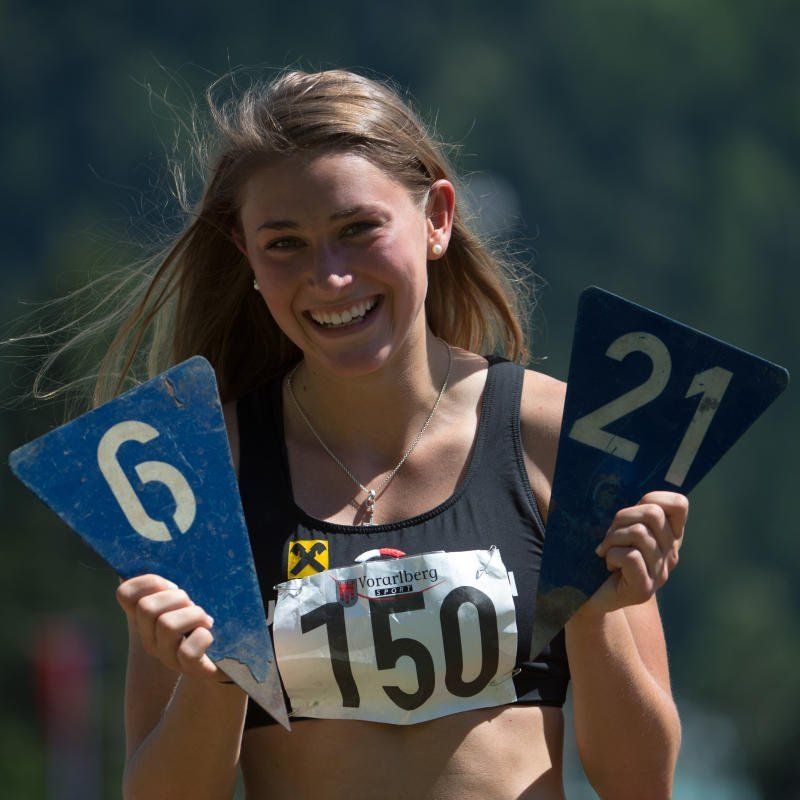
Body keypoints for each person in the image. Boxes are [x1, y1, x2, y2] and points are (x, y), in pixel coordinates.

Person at [106, 69, 686, 799]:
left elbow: (641, 784)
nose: (330, 277)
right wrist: (216, 675)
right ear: (245, 252)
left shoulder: (561, 436)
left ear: (437, 218)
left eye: (358, 229)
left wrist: (594, 609)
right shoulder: (197, 473)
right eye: (284, 243)